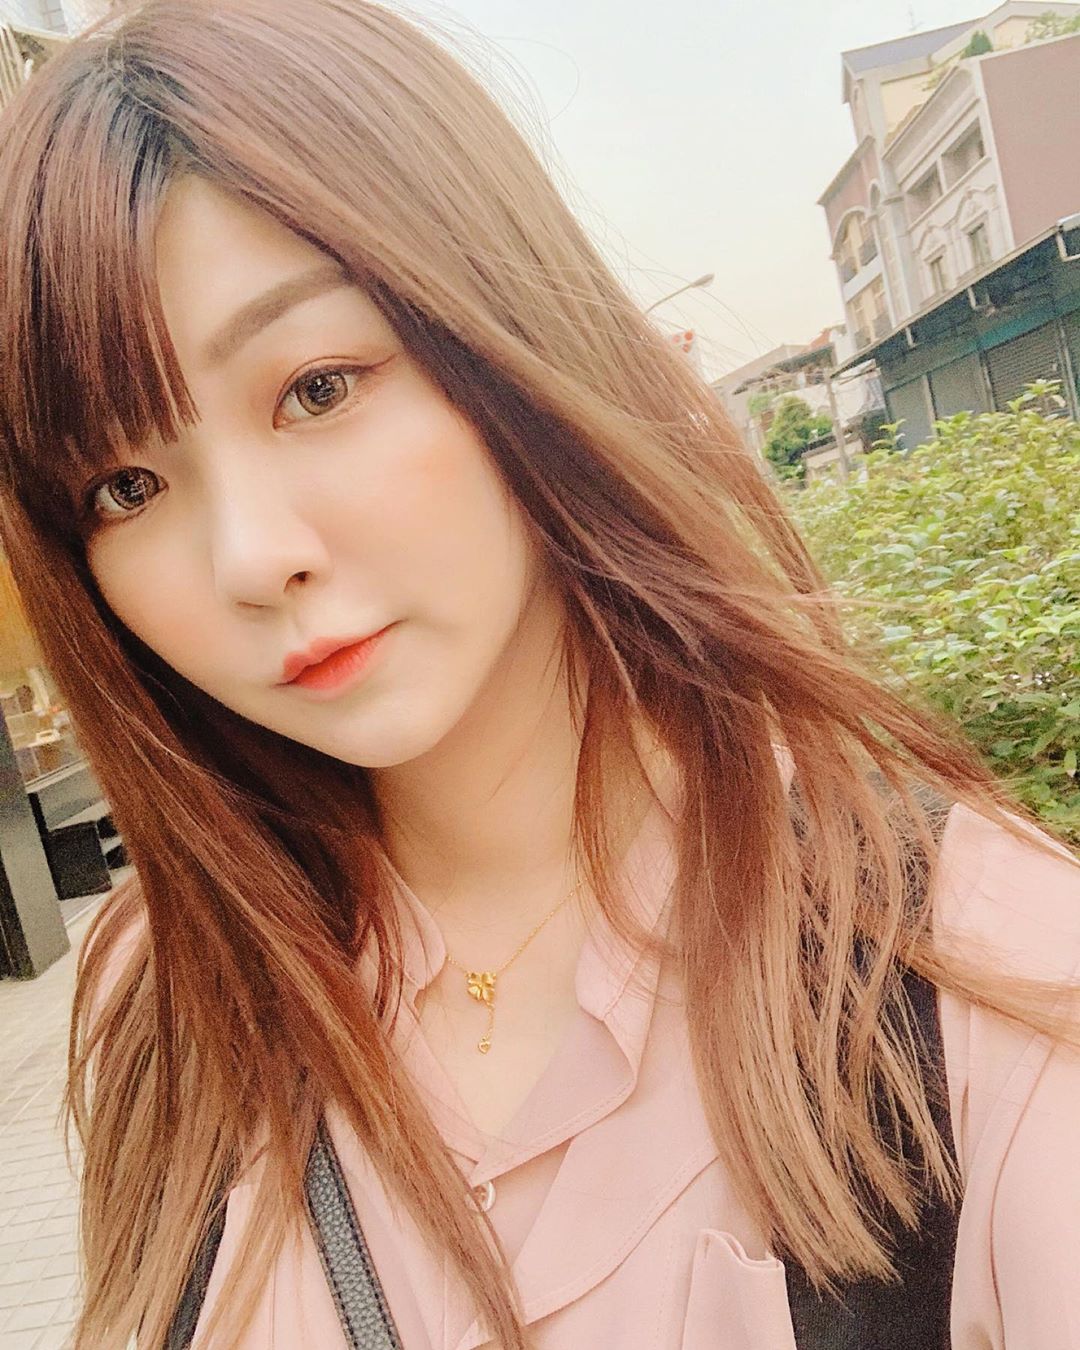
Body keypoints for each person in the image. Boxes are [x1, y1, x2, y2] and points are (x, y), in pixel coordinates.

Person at [0, 2, 1077, 1346]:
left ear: (498, 329)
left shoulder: (971, 974)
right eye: (125, 483)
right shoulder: (170, 991)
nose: (251, 557)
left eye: (317, 388)